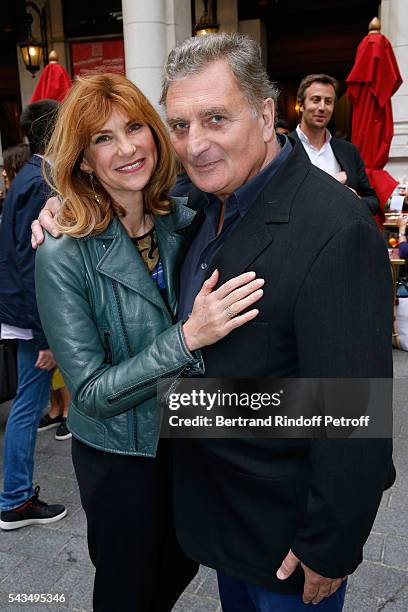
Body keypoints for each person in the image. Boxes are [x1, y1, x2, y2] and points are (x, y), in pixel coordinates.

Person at [32, 34, 394, 612]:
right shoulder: (196, 203)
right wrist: (61, 207)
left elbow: (357, 407)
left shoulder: (335, 226)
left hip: (286, 535)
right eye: (179, 124)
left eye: (216, 118)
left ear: (267, 112)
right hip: (213, 512)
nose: (195, 143)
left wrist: (333, 542)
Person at [34, 73, 263, 612]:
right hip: (120, 454)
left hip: (184, 431)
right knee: (127, 583)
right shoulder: (63, 252)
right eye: (103, 138)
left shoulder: (184, 220)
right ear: (85, 160)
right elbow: (88, 392)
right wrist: (186, 339)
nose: (127, 147)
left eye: (135, 127)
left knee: (183, 558)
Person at [0, 100, 67, 531]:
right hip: (29, 316)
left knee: (28, 402)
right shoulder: (39, 180)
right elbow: (32, 263)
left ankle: (15, 496)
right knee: (28, 404)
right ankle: (15, 499)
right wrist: (46, 337)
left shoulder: (28, 175)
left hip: (21, 311)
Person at [290, 73, 379, 214]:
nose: (322, 107)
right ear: (301, 105)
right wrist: (333, 183)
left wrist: (354, 200)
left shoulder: (349, 151)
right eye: (315, 100)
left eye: (328, 101)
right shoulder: (283, 149)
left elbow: (373, 201)